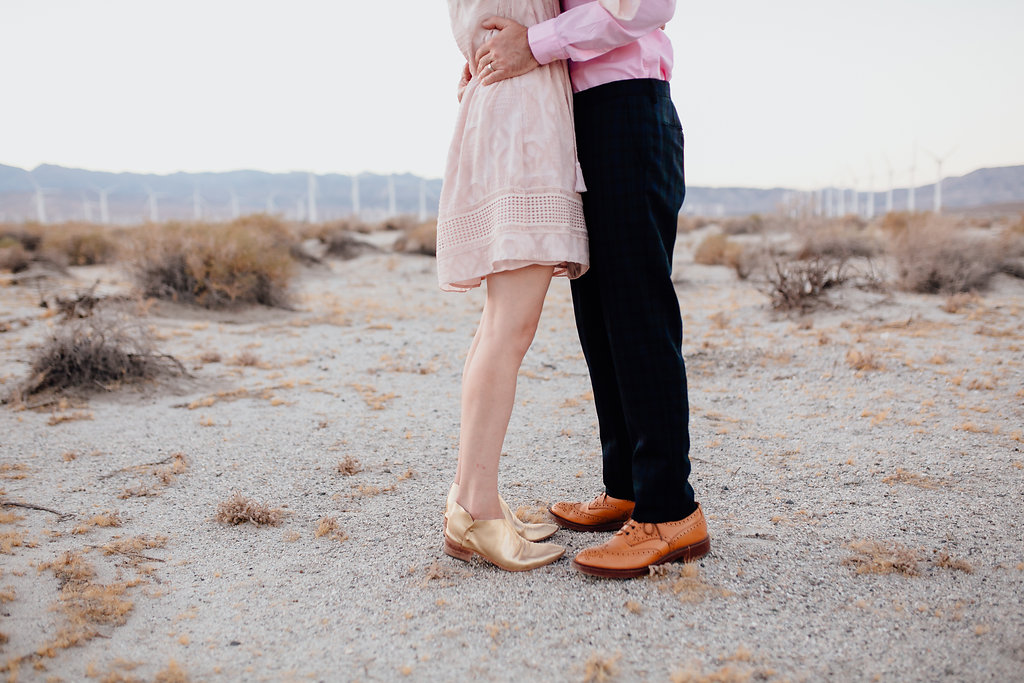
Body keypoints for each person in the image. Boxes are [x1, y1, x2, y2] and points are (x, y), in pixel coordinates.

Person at [474, 0, 711, 578]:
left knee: (637, 310)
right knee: (599, 314)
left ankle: (669, 510)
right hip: (577, 114)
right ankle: (628, 489)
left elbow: (650, 4)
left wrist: (534, 43)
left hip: (626, 104)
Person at [437, 0, 590, 571]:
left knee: (497, 325)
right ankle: (476, 514)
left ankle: (468, 497)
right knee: (509, 328)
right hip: (522, 122)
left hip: (508, 111)